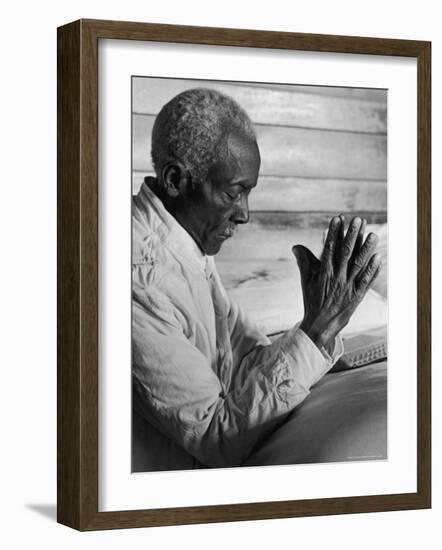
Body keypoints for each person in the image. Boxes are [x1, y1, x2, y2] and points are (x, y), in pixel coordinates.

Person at [132, 88, 381, 471]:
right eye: (234, 193)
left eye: (248, 192)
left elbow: (242, 364)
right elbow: (217, 437)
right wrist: (315, 331)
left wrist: (318, 331)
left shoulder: (183, 239)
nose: (244, 215)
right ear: (176, 180)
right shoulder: (140, 280)